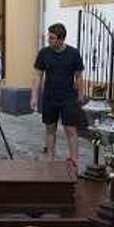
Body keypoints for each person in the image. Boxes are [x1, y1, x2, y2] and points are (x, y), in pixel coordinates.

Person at [31, 23, 85, 167]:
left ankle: (74, 159)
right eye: (49, 36)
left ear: (61, 39)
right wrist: (34, 96)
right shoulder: (44, 53)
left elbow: (79, 77)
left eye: (52, 38)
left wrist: (80, 95)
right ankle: (50, 158)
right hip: (49, 97)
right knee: (50, 128)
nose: (49, 39)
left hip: (68, 97)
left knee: (70, 129)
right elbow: (38, 76)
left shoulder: (73, 54)